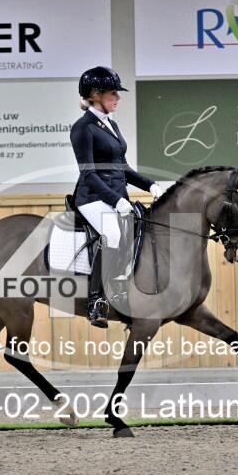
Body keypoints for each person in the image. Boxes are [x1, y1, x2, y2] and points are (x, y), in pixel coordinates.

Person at [70, 66, 164, 328]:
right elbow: (89, 174)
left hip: (114, 196)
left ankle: (126, 289)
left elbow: (123, 169)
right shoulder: (82, 128)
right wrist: (116, 201)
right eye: (113, 93)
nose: (118, 98)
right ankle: (96, 300)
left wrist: (150, 185)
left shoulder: (111, 125)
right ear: (95, 95)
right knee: (111, 233)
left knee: (139, 227)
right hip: (91, 198)